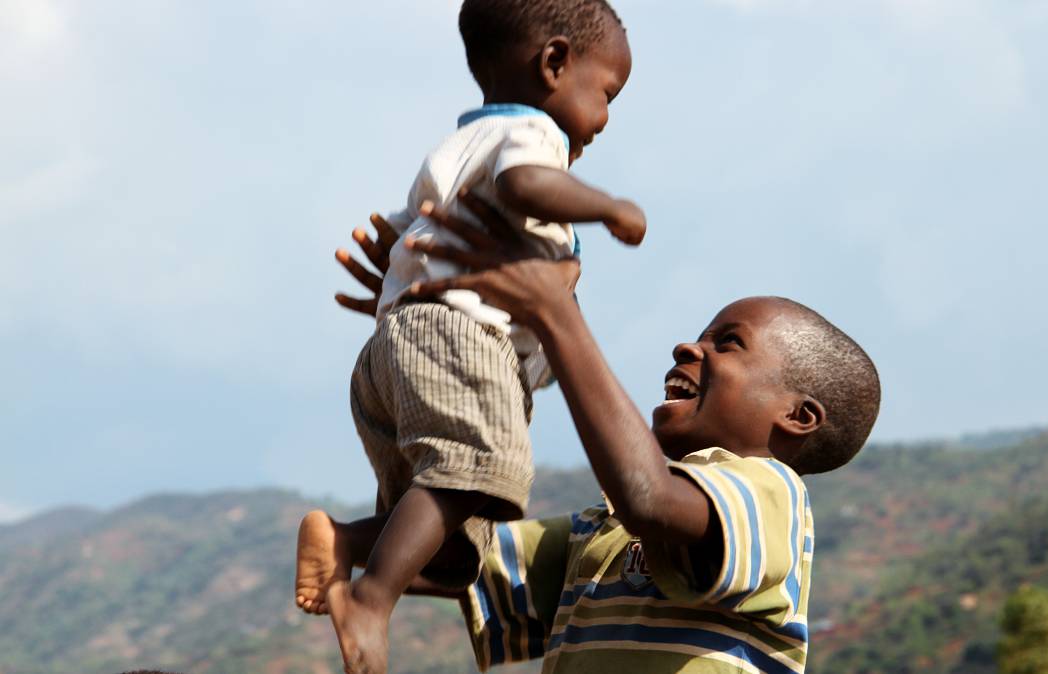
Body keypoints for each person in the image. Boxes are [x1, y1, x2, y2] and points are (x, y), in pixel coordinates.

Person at [300, 198, 881, 673]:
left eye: (728, 343)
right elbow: (457, 555)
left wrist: (555, 315)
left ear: (798, 416)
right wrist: (433, 330)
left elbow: (649, 497)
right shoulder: (602, 527)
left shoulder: (771, 497)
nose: (687, 346)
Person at [294, 1, 643, 672]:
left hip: (395, 349)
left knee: (455, 551)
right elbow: (528, 183)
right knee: (478, 470)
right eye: (607, 94)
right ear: (554, 63)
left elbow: (406, 234)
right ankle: (370, 598)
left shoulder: (457, 147)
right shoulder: (533, 136)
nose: (604, 119)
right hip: (461, 340)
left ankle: (346, 542)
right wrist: (611, 207)